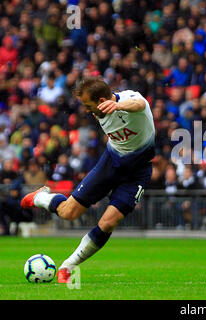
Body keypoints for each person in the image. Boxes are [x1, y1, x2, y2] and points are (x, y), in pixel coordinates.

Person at [21, 77, 156, 283]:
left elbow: (140, 104)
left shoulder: (129, 98)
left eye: (88, 105)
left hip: (137, 171)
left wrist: (118, 105)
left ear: (102, 100)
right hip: (110, 162)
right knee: (68, 212)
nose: (86, 110)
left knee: (109, 222)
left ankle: (68, 266)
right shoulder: (99, 111)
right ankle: (41, 197)